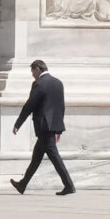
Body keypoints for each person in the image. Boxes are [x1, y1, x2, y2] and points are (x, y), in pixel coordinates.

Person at [10, 57, 75, 195]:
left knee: (54, 157)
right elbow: (60, 107)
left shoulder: (39, 84)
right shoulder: (58, 83)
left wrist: (18, 123)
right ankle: (22, 184)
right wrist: (58, 129)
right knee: (37, 157)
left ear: (38, 69)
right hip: (51, 127)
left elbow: (29, 105)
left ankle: (69, 185)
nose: (32, 75)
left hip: (43, 127)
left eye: (32, 72)